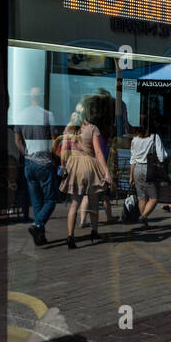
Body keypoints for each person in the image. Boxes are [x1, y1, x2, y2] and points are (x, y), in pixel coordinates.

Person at [59, 95, 112, 248]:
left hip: (73, 166)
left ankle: (70, 236)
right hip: (89, 166)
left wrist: (63, 167)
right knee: (93, 201)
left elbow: (64, 151)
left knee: (74, 203)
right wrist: (106, 171)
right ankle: (94, 231)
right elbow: (98, 152)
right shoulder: (92, 128)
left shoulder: (69, 128)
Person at [13, 86, 58, 245]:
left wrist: (26, 154)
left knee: (37, 202)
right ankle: (37, 225)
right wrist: (53, 157)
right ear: (41, 98)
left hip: (29, 163)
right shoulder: (48, 115)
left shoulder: (20, 115)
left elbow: (17, 140)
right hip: (44, 162)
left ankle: (40, 237)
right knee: (51, 199)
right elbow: (54, 140)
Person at [128, 123, 168, 226]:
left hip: (137, 168)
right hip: (149, 168)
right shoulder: (154, 137)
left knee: (141, 197)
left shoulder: (134, 140)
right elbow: (161, 156)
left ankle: (144, 222)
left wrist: (131, 176)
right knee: (154, 197)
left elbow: (132, 159)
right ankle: (143, 216)